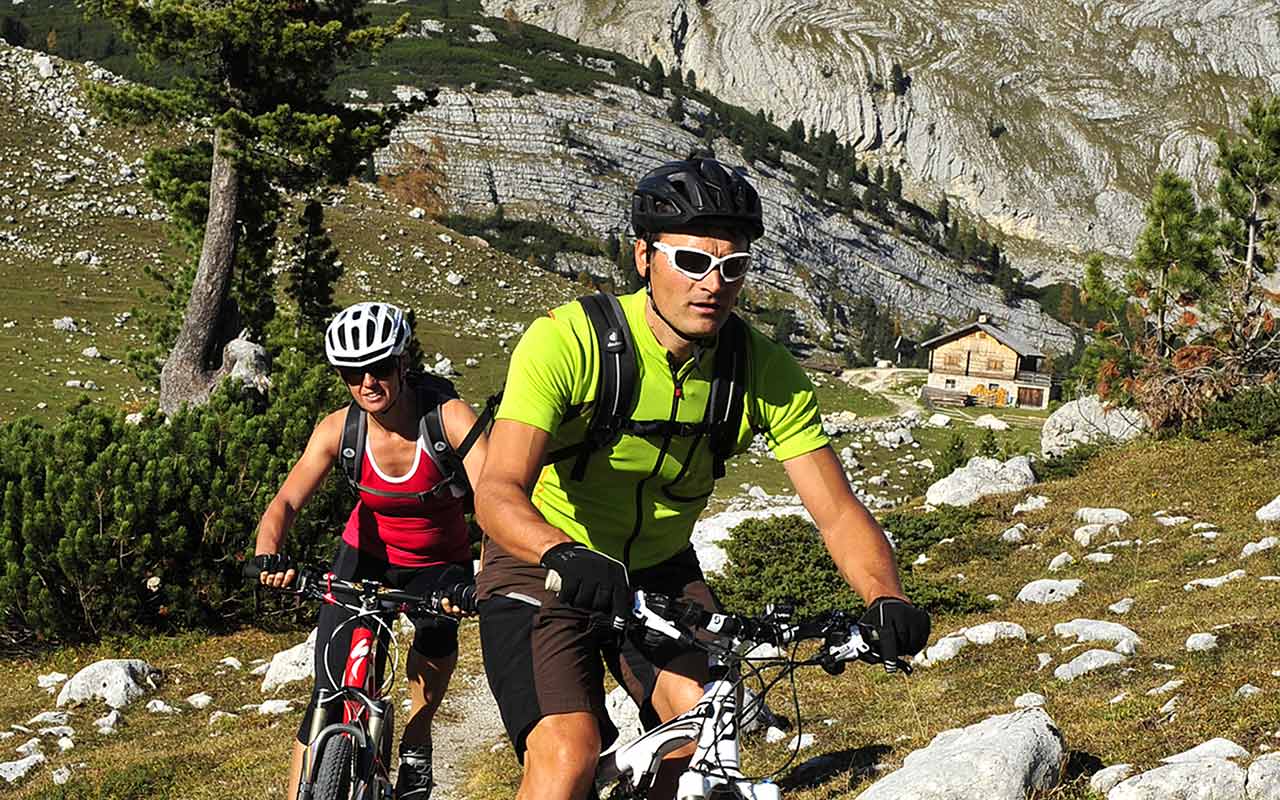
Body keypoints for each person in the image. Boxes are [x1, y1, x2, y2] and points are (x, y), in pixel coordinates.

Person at [473, 157, 931, 800]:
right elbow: (496, 493)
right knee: (568, 753)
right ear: (644, 256)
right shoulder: (567, 340)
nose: (713, 284)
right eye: (692, 262)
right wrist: (560, 551)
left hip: (660, 569)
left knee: (703, 732)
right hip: (546, 563)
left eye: (733, 266)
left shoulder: (761, 369)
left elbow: (836, 511)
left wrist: (887, 598)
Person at [252, 301, 487, 800]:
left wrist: (481, 581)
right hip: (365, 557)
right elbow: (287, 501)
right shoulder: (340, 429)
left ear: (402, 363)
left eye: (379, 368)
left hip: (439, 564)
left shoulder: (448, 420)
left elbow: (495, 498)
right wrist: (268, 554)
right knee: (327, 694)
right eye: (351, 374)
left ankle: (418, 740)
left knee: (436, 645)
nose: (367, 383)